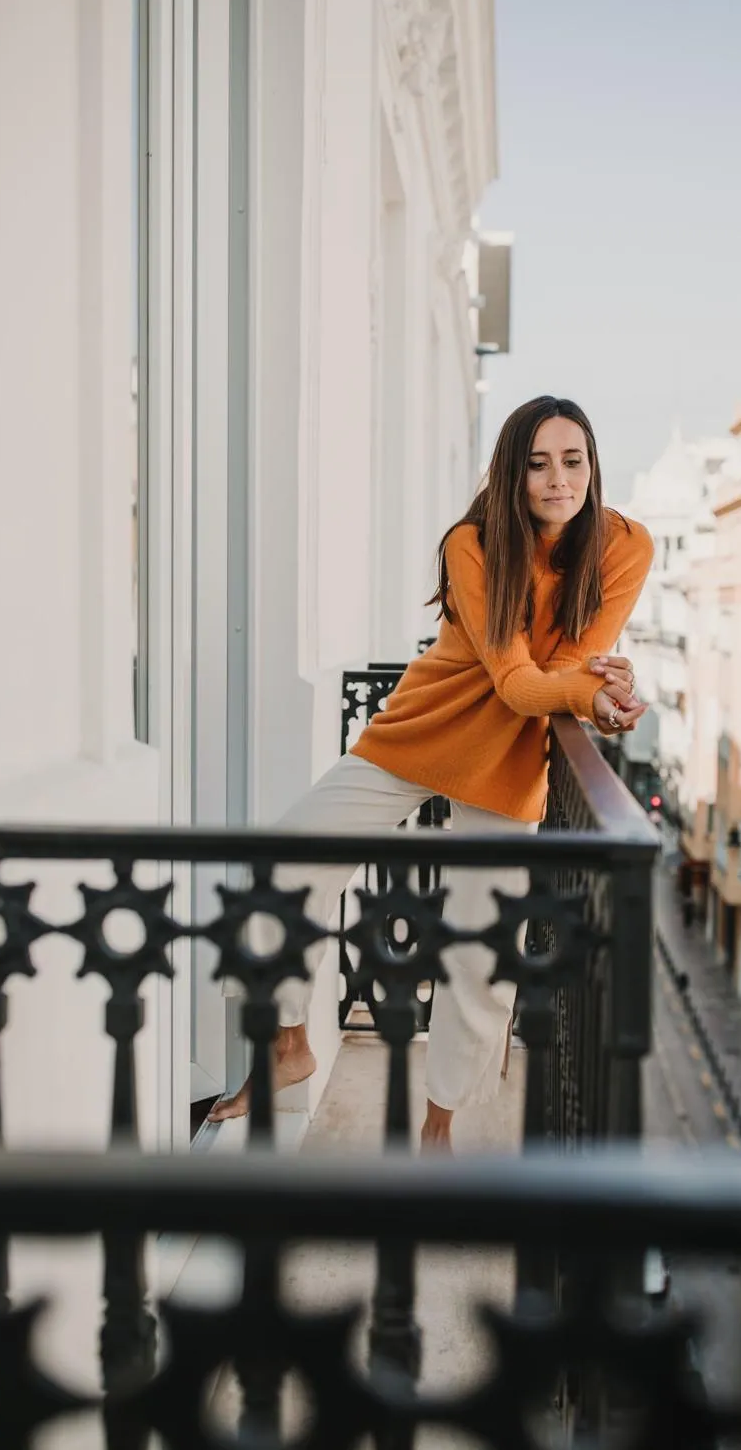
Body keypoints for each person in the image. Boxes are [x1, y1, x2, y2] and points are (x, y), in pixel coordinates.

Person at [208, 395, 653, 1147]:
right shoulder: (473, 544)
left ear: (594, 466)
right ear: (511, 475)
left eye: (572, 461)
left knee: (482, 954)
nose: (558, 480)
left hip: (512, 754)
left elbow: (576, 664)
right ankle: (289, 1042)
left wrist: (604, 702)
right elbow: (521, 680)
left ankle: (438, 1122)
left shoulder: (625, 545)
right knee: (286, 860)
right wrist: (592, 690)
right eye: (537, 464)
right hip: (427, 725)